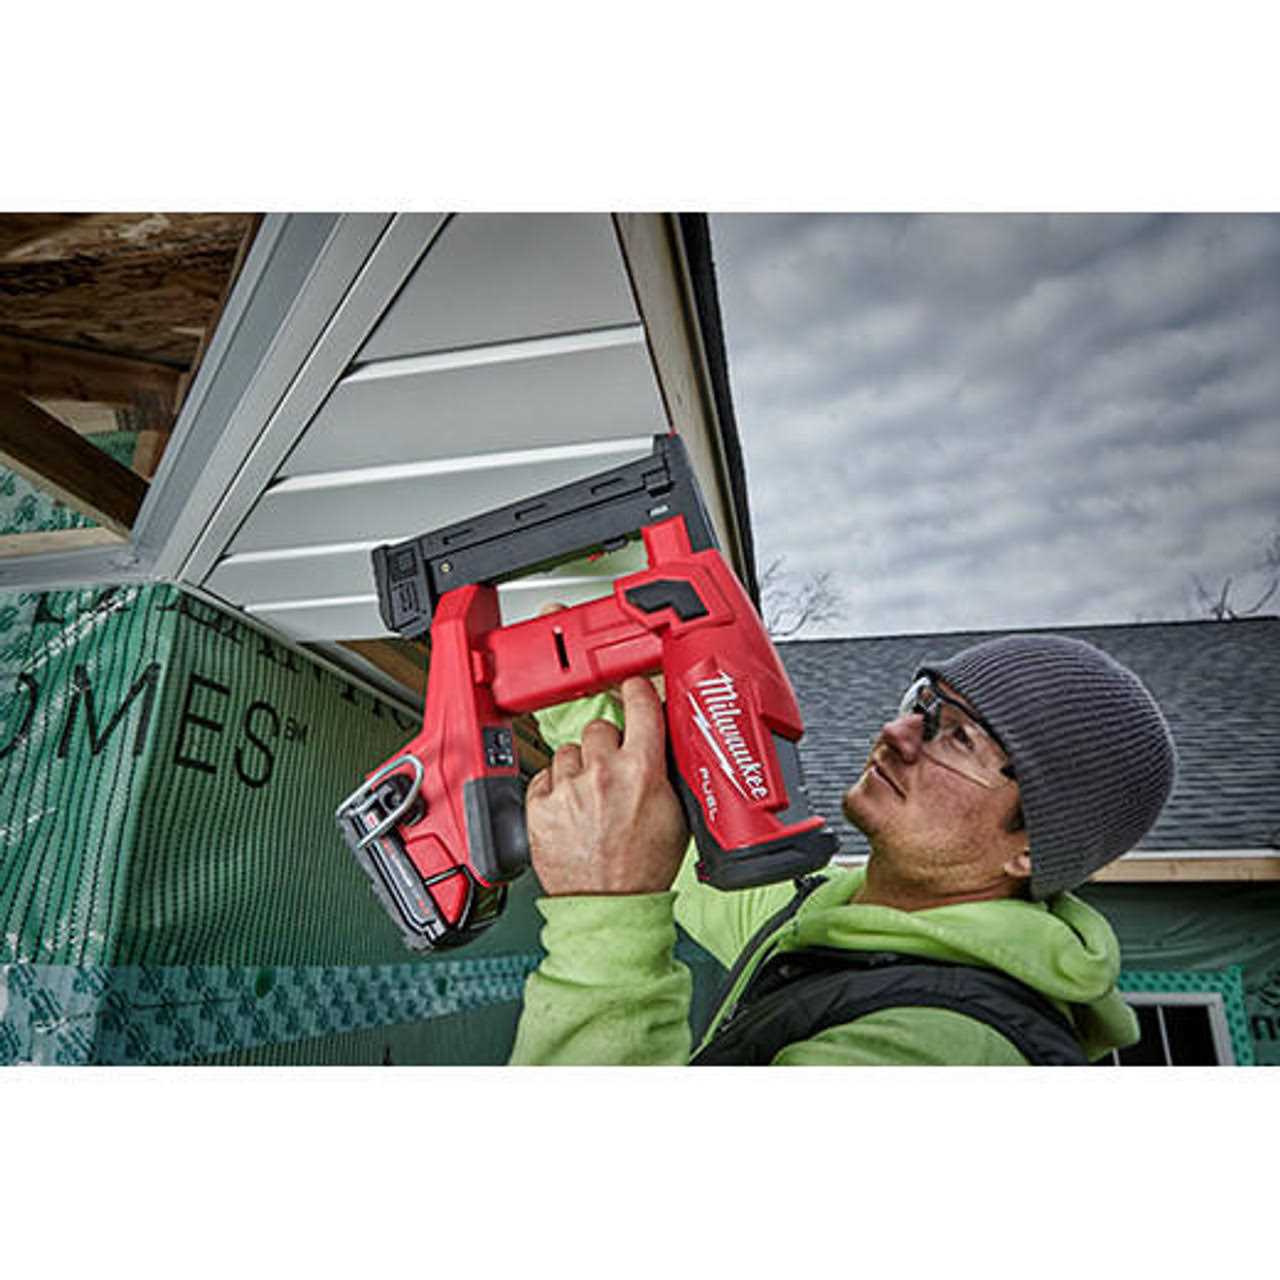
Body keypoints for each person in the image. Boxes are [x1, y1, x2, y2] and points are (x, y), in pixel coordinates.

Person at [507, 634, 1177, 1065]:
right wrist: (557, 653)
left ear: (1030, 850)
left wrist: (606, 915)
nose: (897, 732)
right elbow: (652, 797)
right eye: (922, 705)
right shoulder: (824, 917)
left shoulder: (939, 1049)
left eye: (958, 738)